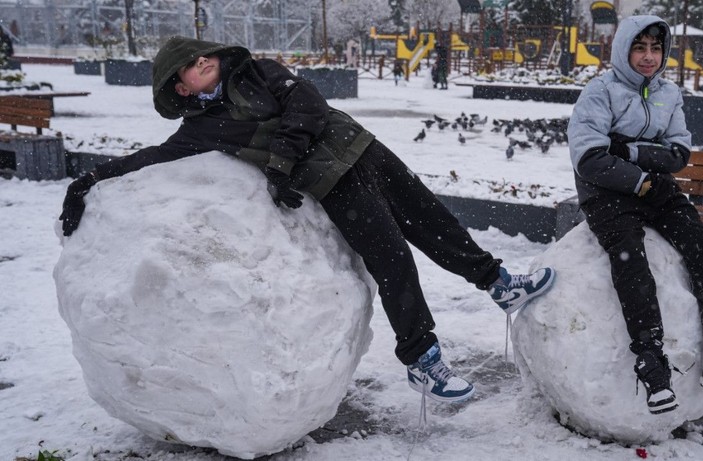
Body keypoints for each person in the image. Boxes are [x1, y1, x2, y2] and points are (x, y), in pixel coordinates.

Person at [59, 36, 556, 405]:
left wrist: (279, 162)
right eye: (188, 66)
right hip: (332, 182)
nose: (200, 62)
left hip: (361, 149)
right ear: (180, 87)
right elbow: (149, 157)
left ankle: (498, 282)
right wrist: (87, 180)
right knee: (393, 261)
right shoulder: (200, 130)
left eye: (199, 54)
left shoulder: (259, 71)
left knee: (435, 221)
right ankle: (423, 360)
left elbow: (308, 105)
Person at [567, 16, 703, 415]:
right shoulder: (600, 92)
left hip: (657, 188)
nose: (649, 57)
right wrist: (641, 172)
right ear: (624, 49)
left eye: (656, 48)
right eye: (640, 47)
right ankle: (650, 360)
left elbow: (678, 153)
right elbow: (591, 158)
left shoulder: (669, 93)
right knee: (630, 258)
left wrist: (628, 150)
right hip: (606, 194)